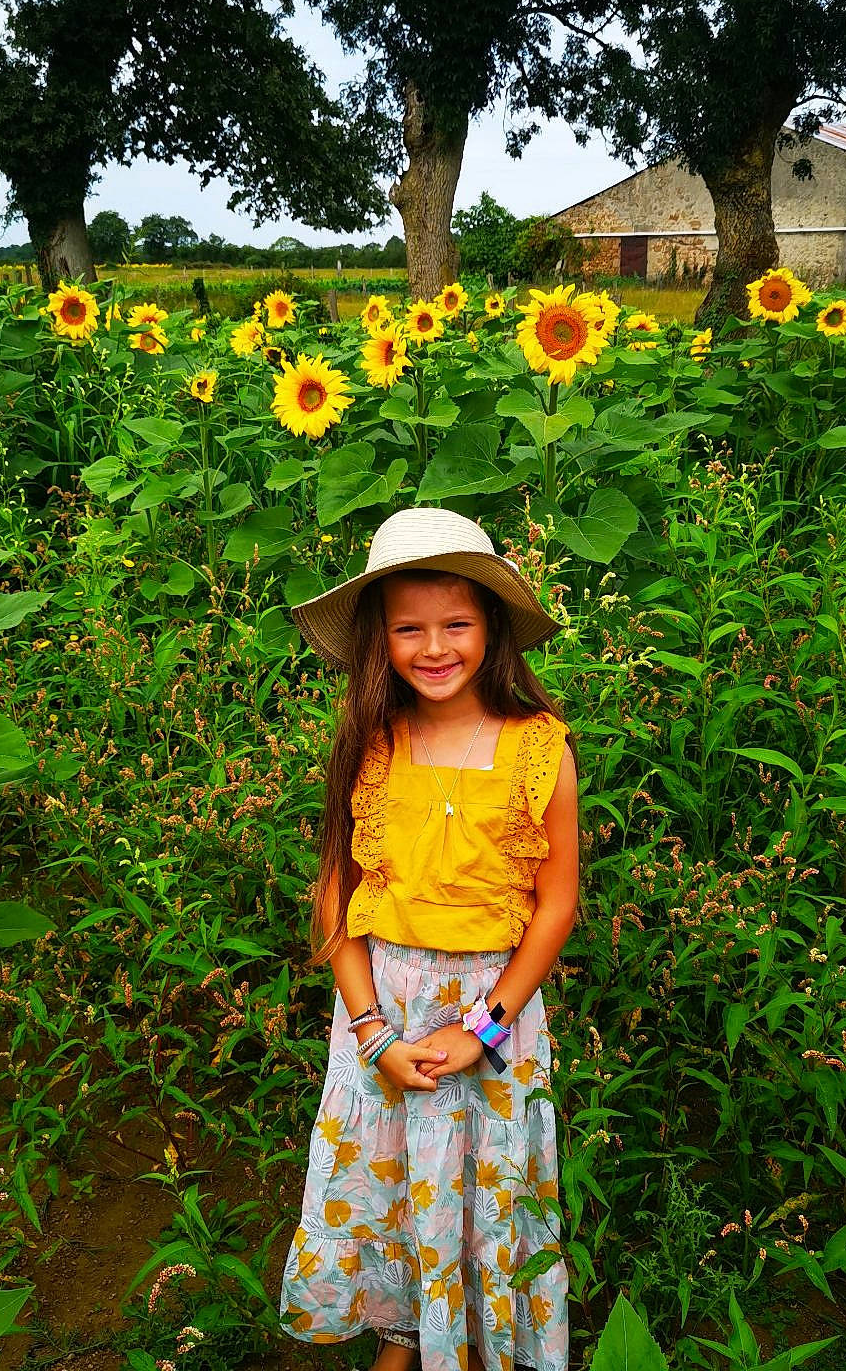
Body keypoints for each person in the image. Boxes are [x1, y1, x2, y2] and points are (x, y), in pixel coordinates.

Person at [278, 507, 578, 1371]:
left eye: (456, 623)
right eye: (410, 628)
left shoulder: (538, 749)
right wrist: (373, 1033)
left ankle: (477, 1340)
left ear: (492, 628)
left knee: (484, 1185)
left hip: (494, 1019)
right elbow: (336, 897)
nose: (435, 646)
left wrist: (480, 1028)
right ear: (381, 638)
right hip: (383, 1013)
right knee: (394, 1179)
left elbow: (554, 908)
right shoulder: (372, 743)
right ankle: (406, 1337)